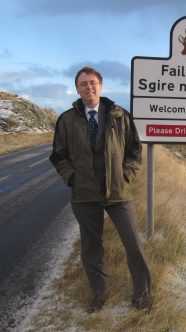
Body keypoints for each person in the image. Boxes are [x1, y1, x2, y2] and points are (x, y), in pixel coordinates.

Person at [50, 66, 152, 313]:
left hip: (117, 194)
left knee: (134, 244)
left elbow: (134, 150)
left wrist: (125, 175)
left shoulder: (120, 116)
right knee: (91, 248)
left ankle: (143, 295)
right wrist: (71, 178)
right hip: (84, 195)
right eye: (84, 84)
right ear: (77, 89)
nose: (89, 87)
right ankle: (99, 293)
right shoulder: (66, 120)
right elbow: (59, 156)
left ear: (101, 86)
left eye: (93, 82)